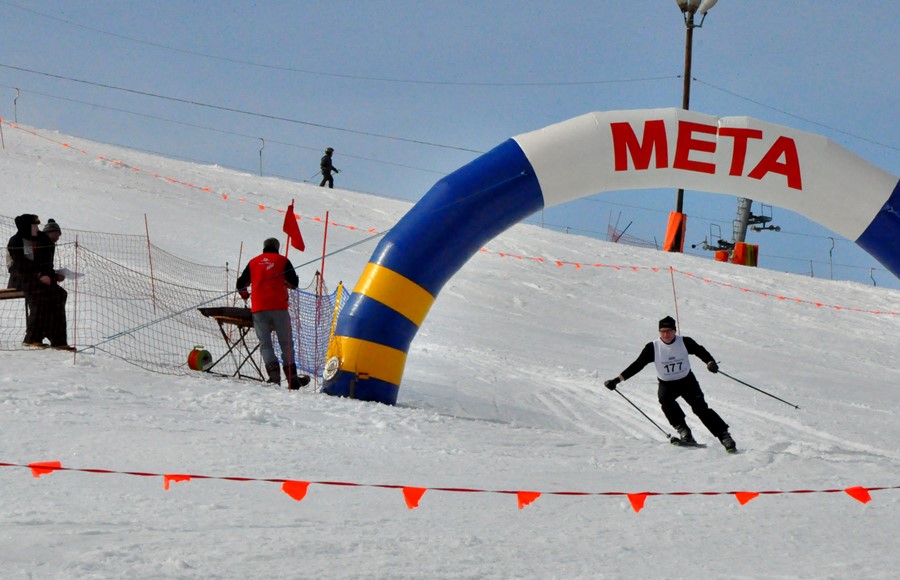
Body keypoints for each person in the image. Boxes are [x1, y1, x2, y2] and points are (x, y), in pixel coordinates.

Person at [604, 316, 736, 452]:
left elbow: (700, 351)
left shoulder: (684, 342)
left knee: (700, 408)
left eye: (668, 331)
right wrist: (616, 380)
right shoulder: (653, 347)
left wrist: (710, 363)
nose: (665, 334)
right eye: (662, 331)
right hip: (667, 384)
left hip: (687, 382)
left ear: (674, 331)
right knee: (665, 401)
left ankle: (724, 436)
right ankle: (684, 432)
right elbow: (638, 365)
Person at [236, 237, 310, 390]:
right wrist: (285, 283)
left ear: (264, 247)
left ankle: (274, 378)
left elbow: (240, 284)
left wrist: (245, 296)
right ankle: (292, 379)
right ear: (277, 247)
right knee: (286, 343)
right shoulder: (283, 260)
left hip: (258, 308)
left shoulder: (253, 262)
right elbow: (294, 284)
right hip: (278, 307)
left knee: (265, 344)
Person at [6, 215, 72, 349]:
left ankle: (59, 340)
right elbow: (20, 265)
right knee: (40, 297)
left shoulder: (41, 239)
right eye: (34, 226)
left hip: (39, 279)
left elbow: (45, 263)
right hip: (22, 279)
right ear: (26, 227)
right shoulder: (17, 241)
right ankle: (32, 338)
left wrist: (50, 276)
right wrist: (39, 275)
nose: (37, 228)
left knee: (59, 294)